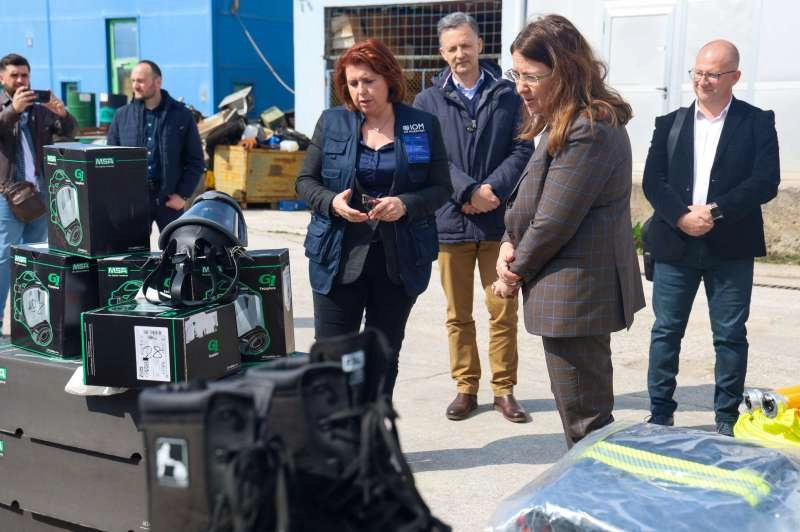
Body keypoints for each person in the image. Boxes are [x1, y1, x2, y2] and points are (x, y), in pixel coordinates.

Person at [493, 15, 645, 448]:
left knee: (587, 425)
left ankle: (595, 489)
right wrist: (507, 241)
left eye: (531, 76)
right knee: (580, 420)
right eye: (516, 75)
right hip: (567, 294)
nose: (521, 87)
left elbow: (554, 220)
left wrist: (513, 271)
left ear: (566, 71)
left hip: (577, 296)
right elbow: (533, 202)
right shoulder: (564, 120)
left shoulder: (588, 127)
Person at [296, 39, 451, 397]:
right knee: (333, 358)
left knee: (383, 355)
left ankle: (374, 426)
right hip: (337, 256)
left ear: (389, 79)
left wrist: (406, 204)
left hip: (398, 260)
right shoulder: (332, 122)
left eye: (369, 81)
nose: (361, 91)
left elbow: (441, 187)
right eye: (353, 83)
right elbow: (305, 181)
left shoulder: (421, 124)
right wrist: (331, 202)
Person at [642, 40, 780, 436]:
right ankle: (660, 412)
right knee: (666, 330)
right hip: (676, 243)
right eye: (698, 73)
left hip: (730, 246)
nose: (703, 81)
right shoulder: (670, 123)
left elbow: (765, 181)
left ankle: (726, 418)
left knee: (730, 335)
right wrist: (681, 217)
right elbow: (653, 181)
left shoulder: (756, 122)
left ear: (735, 77)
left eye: (713, 74)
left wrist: (714, 212)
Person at [413, 12, 532, 423]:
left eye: (466, 45)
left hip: (499, 224)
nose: (460, 54)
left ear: (480, 45)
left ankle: (504, 390)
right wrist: (466, 191)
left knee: (502, 310)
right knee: (458, 315)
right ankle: (466, 387)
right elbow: (424, 157)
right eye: (452, 48)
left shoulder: (508, 95)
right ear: (441, 53)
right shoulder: (426, 102)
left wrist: (490, 190)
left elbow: (523, 148)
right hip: (451, 222)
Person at [0, 53, 78, 335]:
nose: (21, 81)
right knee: (4, 260)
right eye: (14, 75)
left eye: (25, 75)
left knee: (37, 260)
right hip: (7, 195)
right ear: (2, 78)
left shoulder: (39, 109)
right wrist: (13, 110)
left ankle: (31, 321)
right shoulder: (6, 108)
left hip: (39, 195)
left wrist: (63, 115)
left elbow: (70, 133)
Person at [107, 60, 204, 231]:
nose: (135, 86)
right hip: (134, 202)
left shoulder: (181, 115)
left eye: (140, 81)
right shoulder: (122, 116)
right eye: (133, 80)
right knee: (134, 248)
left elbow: (195, 160)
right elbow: (109, 160)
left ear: (157, 82)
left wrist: (182, 195)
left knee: (176, 247)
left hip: (169, 201)